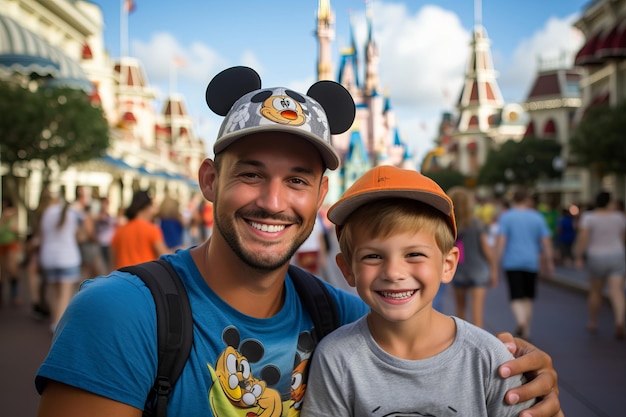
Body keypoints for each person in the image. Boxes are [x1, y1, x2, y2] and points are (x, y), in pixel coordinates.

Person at [36, 66, 562, 417]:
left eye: (297, 180)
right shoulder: (121, 314)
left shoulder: (338, 317)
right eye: (250, 174)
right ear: (209, 181)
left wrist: (520, 378)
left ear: (320, 196)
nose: (272, 200)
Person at [301, 166, 534, 416]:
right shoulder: (335, 359)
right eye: (373, 256)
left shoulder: (488, 358)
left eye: (414, 254)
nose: (393, 272)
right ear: (348, 270)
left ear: (447, 265)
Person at [496, 188, 555, 340]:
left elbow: (502, 241)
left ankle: (520, 321)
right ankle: (526, 330)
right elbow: (546, 241)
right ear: (526, 200)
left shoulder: (506, 217)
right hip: (531, 261)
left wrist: (497, 260)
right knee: (528, 297)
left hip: (512, 261)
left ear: (513, 200)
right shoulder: (537, 217)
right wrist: (549, 262)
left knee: (516, 296)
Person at [573, 191, 626, 339]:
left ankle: (593, 321)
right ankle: (620, 320)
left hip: (596, 256)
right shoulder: (619, 217)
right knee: (617, 291)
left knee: (596, 291)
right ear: (610, 202)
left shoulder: (589, 217)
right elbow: (622, 238)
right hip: (617, 255)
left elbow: (583, 237)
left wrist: (578, 255)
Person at [448, 186, 498, 328]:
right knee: (477, 316)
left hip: (458, 270)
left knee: (460, 313)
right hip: (478, 270)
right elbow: (487, 250)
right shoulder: (477, 223)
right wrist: (494, 270)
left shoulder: (449, 225)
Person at [38, 191, 85, 333]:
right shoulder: (72, 214)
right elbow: (81, 237)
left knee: (53, 291)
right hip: (68, 256)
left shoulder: (46, 214)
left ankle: (54, 320)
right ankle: (58, 324)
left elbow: (41, 235)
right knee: (65, 293)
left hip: (48, 256)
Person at [109, 189, 170, 270]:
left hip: (122, 278)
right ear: (147, 207)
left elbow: (112, 260)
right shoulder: (152, 229)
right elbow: (164, 255)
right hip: (144, 277)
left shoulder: (120, 230)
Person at [0, 197, 22, 307]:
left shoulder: (13, 214)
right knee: (1, 271)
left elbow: (16, 228)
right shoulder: (4, 216)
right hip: (1, 244)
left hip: (11, 243)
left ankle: (15, 295)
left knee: (12, 268)